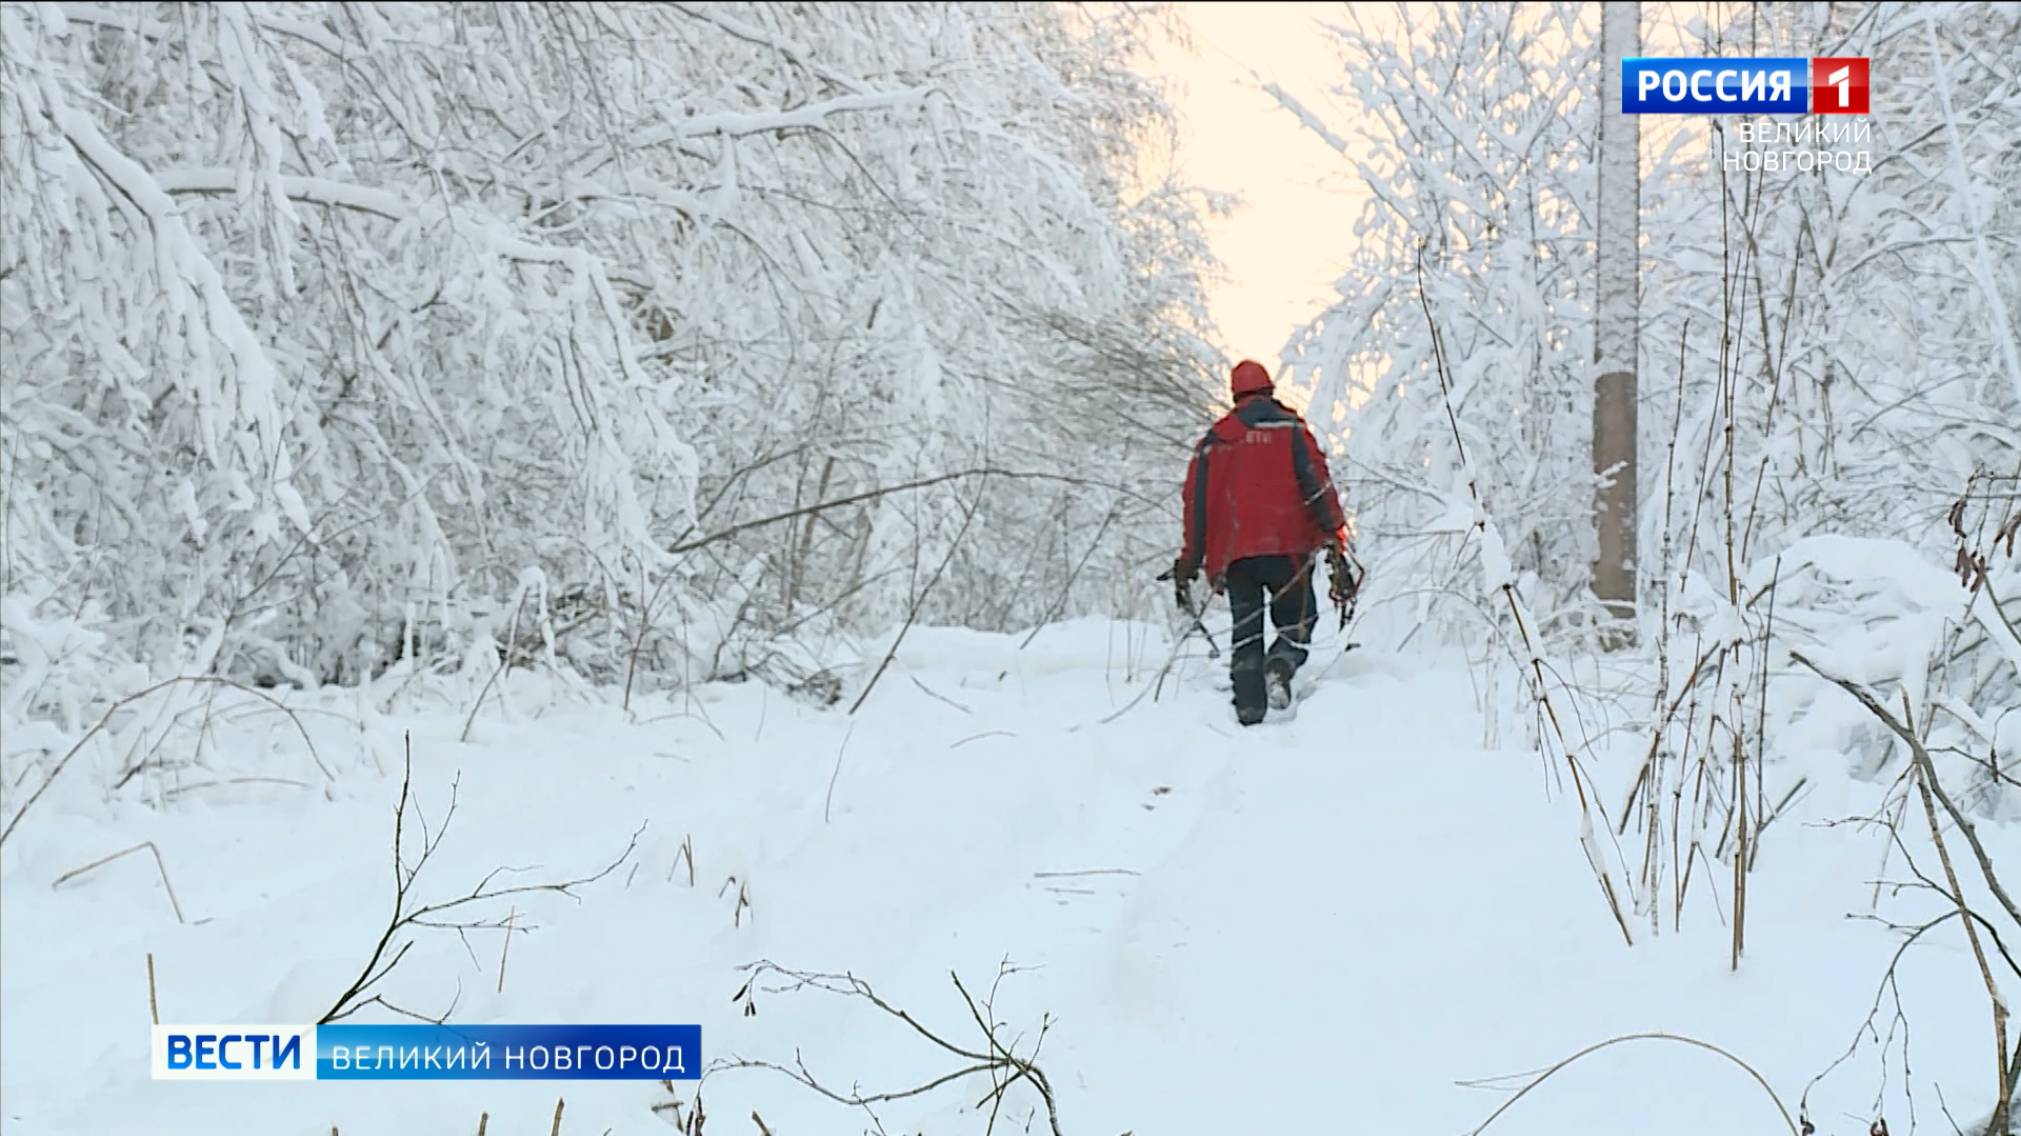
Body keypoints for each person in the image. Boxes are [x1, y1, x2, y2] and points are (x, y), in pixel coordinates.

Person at [1172, 359, 1355, 725]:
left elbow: (1196, 505)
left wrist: (1190, 561)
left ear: (1234, 395)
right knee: (1298, 618)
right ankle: (1281, 664)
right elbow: (1317, 482)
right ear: (1270, 390)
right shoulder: (1290, 430)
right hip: (1288, 548)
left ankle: (1249, 708)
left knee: (1246, 626)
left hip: (1235, 555)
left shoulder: (1212, 442)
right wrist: (1334, 533)